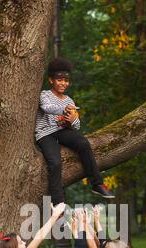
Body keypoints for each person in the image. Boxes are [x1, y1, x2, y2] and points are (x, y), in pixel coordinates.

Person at [35, 57, 115, 205]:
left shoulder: (69, 100)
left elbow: (76, 126)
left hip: (62, 131)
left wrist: (72, 119)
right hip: (45, 133)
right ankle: (58, 202)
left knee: (83, 143)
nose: (63, 83)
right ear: (51, 80)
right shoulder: (45, 95)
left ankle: (97, 184)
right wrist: (64, 110)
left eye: (66, 80)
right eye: (59, 80)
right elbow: (46, 108)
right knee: (55, 162)